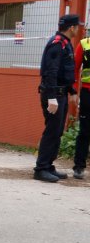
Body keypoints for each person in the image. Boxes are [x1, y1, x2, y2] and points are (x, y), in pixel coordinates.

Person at [33, 13, 81, 182]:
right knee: (51, 131)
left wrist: (73, 92)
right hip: (53, 94)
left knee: (57, 131)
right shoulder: (57, 44)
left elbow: (64, 73)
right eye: (77, 26)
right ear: (71, 28)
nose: (78, 29)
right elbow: (51, 72)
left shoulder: (65, 43)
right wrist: (52, 97)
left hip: (61, 93)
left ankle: (48, 165)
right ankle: (40, 169)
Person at [70, 29, 90, 179]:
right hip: (88, 93)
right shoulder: (84, 44)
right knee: (84, 130)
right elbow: (75, 68)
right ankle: (79, 166)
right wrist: (75, 91)